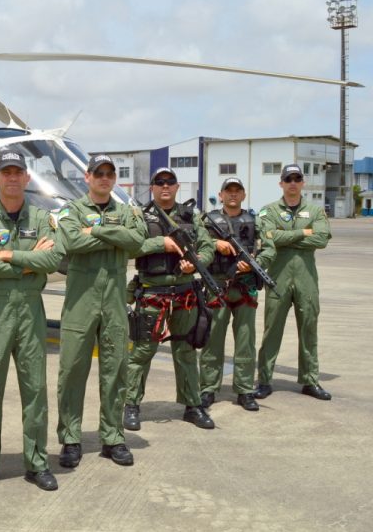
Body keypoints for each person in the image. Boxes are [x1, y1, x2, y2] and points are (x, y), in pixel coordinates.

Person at [0, 148, 63, 493]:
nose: (11, 177)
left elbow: (54, 257)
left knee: (35, 389)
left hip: (30, 310)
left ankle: (37, 463)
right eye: (4, 172)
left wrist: (8, 254)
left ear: (25, 178)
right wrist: (28, 260)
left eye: (16, 172)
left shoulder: (41, 219)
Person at [56, 155, 147, 469]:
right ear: (87, 176)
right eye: (99, 173)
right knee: (71, 371)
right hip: (80, 301)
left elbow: (136, 241)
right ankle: (70, 438)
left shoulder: (127, 211)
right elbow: (69, 240)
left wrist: (93, 232)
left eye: (110, 174)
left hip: (113, 301)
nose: (104, 178)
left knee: (115, 369)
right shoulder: (72, 210)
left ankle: (112, 437)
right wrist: (112, 234)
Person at [124, 167, 216, 430]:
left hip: (185, 295)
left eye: (170, 182)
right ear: (152, 187)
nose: (165, 186)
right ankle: (131, 405)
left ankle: (192, 405)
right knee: (142, 351)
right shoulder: (140, 216)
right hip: (153, 294)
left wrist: (195, 263)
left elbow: (207, 246)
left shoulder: (191, 216)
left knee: (186, 351)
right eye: (159, 182)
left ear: (177, 187)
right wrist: (160, 243)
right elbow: (131, 246)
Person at [254, 164, 332, 400]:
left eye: (297, 178)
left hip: (307, 279)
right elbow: (269, 237)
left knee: (309, 328)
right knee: (272, 330)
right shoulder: (269, 211)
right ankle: (265, 380)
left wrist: (285, 238)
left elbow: (322, 239)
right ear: (281, 183)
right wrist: (303, 233)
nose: (293, 183)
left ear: (303, 183)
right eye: (288, 179)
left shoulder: (316, 211)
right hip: (278, 278)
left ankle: (310, 380)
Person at [199, 177, 262, 412]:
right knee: (213, 337)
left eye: (238, 191)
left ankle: (245, 389)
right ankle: (208, 387)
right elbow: (196, 241)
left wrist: (255, 262)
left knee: (246, 340)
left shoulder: (254, 221)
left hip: (245, 286)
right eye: (229, 191)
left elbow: (268, 248)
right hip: (217, 284)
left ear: (244, 195)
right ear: (221, 194)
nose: (233, 194)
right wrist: (215, 243)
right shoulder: (208, 220)